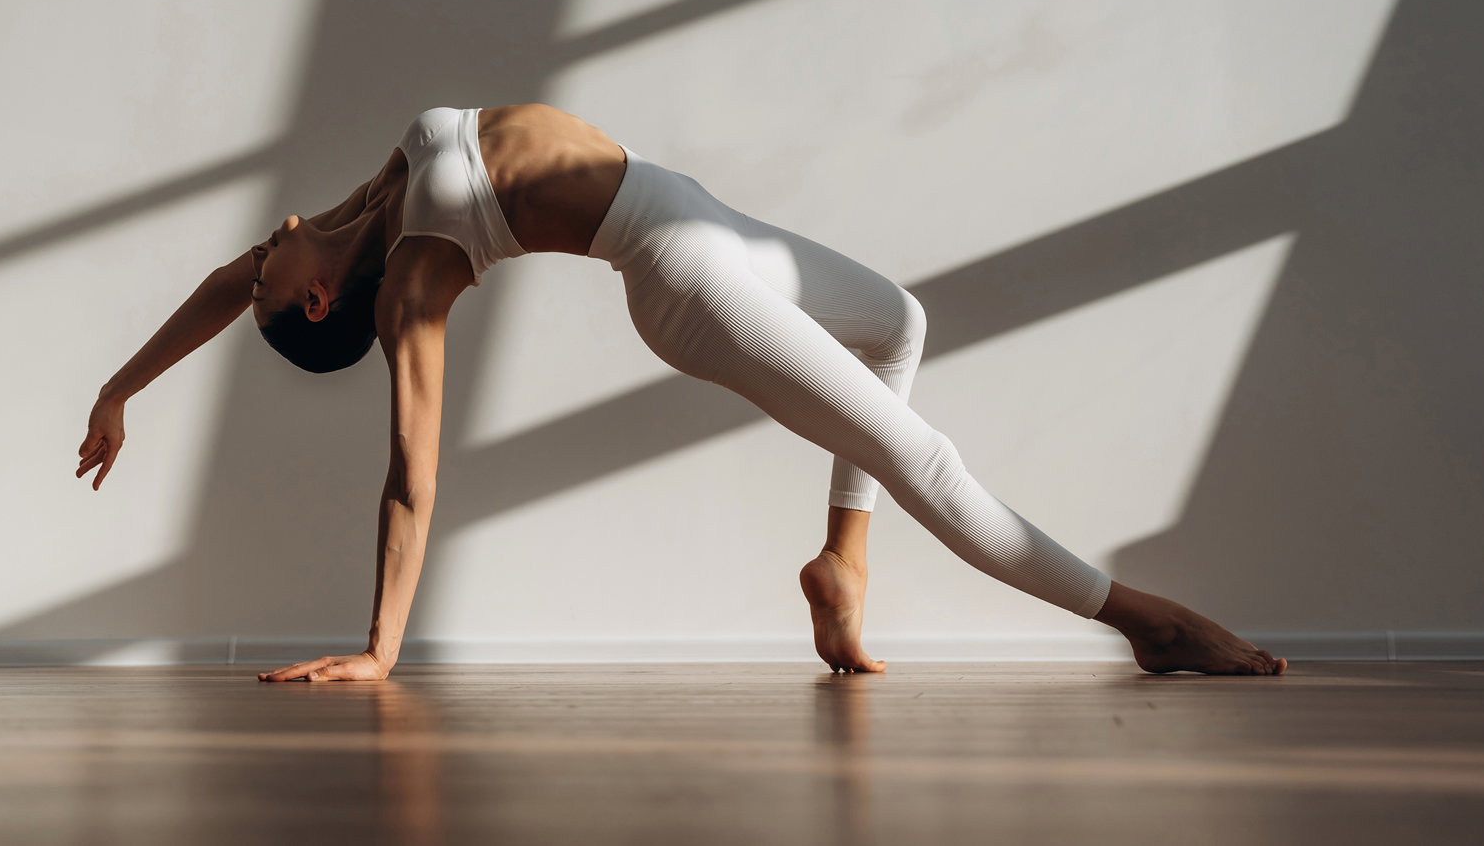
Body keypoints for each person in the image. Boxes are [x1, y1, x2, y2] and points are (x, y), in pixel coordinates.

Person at [76, 104, 1288, 680]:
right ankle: (1145, 621)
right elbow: (413, 466)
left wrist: (119, 387)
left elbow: (222, 284)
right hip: (684, 278)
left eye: (260, 265)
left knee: (898, 323)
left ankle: (840, 562)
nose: (262, 247)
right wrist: (381, 647)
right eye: (267, 276)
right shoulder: (404, 278)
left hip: (702, 215)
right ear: (320, 307)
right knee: (929, 457)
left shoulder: (348, 212)